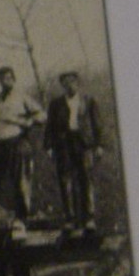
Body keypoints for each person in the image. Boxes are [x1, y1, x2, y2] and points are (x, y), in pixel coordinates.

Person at [0, 66, 46, 221]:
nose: (5, 81)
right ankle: (1, 214)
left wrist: (28, 121)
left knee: (20, 179)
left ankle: (22, 217)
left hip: (17, 140)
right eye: (2, 78)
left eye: (8, 78)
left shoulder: (22, 97)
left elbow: (41, 115)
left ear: (13, 79)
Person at [44, 70, 103, 229]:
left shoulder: (88, 101)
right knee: (65, 180)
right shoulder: (56, 104)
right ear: (62, 85)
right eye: (66, 82)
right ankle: (70, 219)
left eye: (72, 81)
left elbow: (97, 124)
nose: (70, 85)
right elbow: (49, 126)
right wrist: (49, 146)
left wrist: (99, 145)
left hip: (83, 143)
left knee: (86, 179)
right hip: (64, 144)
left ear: (77, 83)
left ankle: (89, 218)